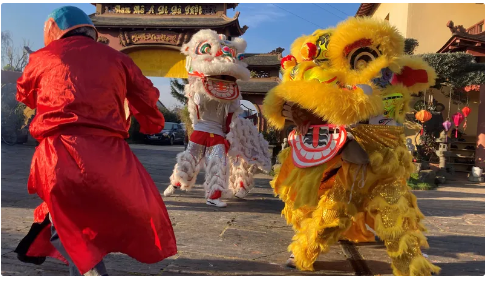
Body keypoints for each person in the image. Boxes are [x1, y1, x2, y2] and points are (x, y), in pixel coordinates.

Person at [14, 6, 177, 276]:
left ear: (53, 30)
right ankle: (40, 244)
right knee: (89, 214)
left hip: (58, 154)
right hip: (111, 158)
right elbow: (148, 98)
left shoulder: (42, 58)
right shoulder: (118, 59)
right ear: (91, 30)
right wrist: (152, 125)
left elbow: (24, 93)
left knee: (68, 223)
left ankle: (88, 269)